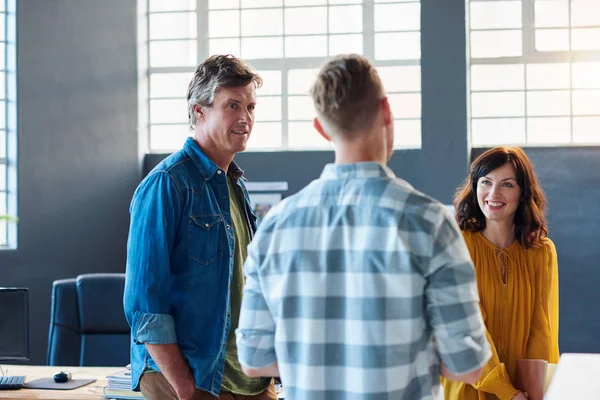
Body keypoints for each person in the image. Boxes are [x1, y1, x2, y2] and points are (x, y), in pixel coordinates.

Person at [235, 54, 492, 400]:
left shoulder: (275, 227)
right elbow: (468, 366)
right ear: (386, 110)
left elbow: (253, 360)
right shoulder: (429, 222)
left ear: (321, 128)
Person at [124, 54, 276, 400]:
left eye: (251, 107)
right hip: (193, 376)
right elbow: (144, 306)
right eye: (232, 105)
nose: (245, 118)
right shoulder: (165, 184)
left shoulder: (236, 185)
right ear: (199, 111)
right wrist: (185, 389)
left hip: (248, 375)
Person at [442, 146, 559, 400]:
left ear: (522, 193)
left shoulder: (541, 251)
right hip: (468, 388)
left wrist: (533, 391)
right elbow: (466, 330)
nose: (493, 194)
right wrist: (505, 391)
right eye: (486, 182)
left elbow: (542, 329)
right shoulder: (457, 245)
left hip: (522, 391)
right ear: (475, 187)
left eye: (507, 184)